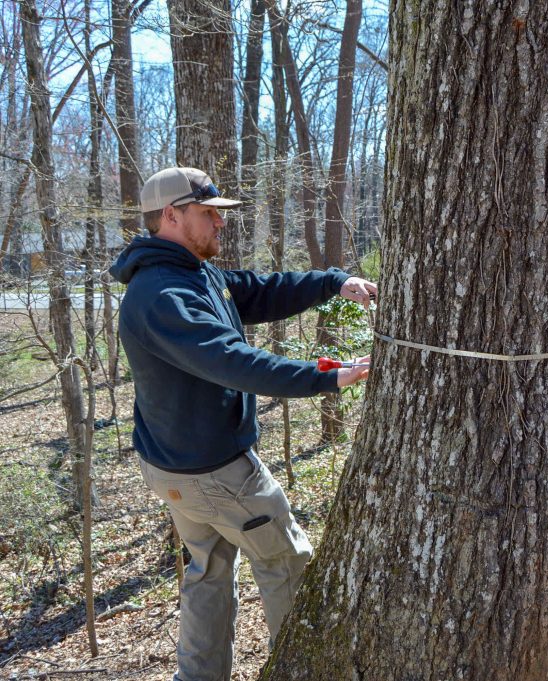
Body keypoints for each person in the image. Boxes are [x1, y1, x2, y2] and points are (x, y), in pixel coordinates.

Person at [109, 167, 375, 681]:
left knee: (207, 573)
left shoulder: (192, 272)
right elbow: (235, 362)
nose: (220, 224)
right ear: (171, 215)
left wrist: (333, 283)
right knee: (288, 561)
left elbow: (254, 292)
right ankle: (302, 670)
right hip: (216, 473)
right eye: (209, 213)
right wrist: (332, 376)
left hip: (182, 470)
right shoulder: (162, 296)